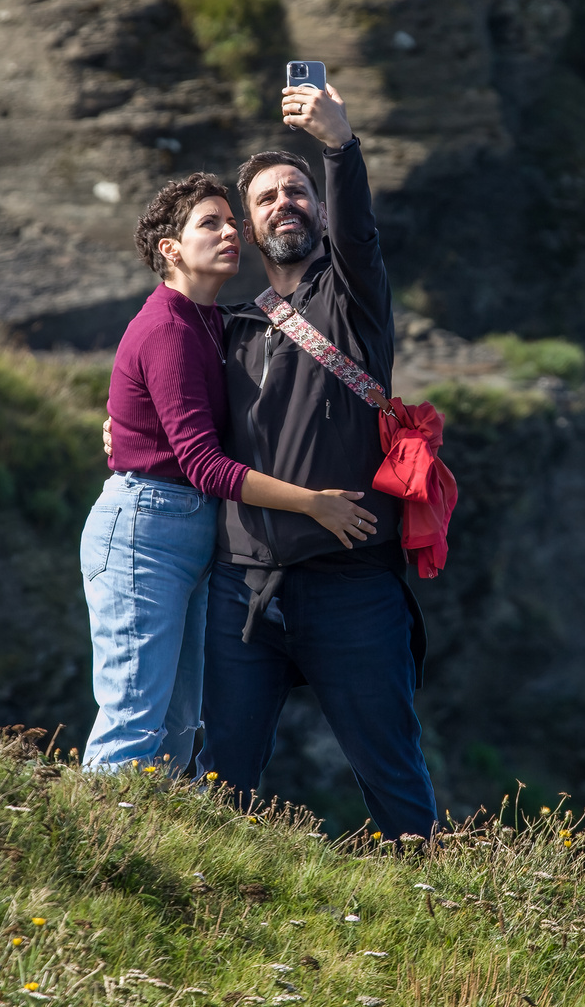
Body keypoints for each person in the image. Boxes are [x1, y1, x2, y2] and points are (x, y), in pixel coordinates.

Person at [196, 82, 437, 839]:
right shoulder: (228, 329)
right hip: (241, 590)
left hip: (350, 586)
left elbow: (360, 236)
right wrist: (119, 433)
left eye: (297, 192)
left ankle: (440, 920)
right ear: (247, 227)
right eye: (265, 199)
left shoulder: (353, 305)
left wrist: (339, 146)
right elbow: (178, 426)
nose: (283, 204)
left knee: (393, 779)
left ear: (321, 212)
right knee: (219, 784)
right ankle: (209, 913)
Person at [80, 172, 377, 774]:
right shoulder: (168, 327)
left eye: (230, 224)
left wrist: (121, 424)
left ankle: (147, 856)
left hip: (190, 529)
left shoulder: (216, 322)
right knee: (135, 715)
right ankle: (87, 859)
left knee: (178, 723)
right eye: (208, 224)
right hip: (147, 524)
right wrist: (312, 503)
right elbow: (204, 463)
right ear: (171, 248)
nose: (229, 235)